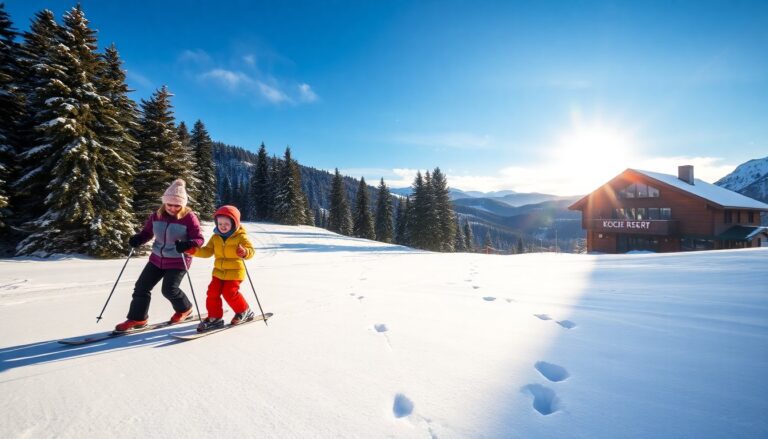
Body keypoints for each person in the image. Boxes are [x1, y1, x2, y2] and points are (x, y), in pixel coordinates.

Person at [115, 179, 204, 332]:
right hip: (157, 259)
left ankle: (185, 309)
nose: (173, 208)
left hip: (178, 260)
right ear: (164, 202)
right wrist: (139, 239)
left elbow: (199, 239)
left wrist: (188, 244)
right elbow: (147, 233)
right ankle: (138, 318)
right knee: (141, 287)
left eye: (177, 205)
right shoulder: (156, 215)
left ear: (183, 205)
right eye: (169, 204)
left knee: (169, 289)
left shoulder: (189, 217)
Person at [185, 205, 256, 332]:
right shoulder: (215, 237)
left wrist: (244, 252)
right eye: (220, 223)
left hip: (235, 272)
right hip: (218, 272)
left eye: (226, 224)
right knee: (212, 292)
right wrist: (193, 251)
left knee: (229, 293)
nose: (223, 226)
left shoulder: (240, 237)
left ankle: (244, 311)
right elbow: (207, 251)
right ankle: (215, 318)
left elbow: (251, 251)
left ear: (234, 223)